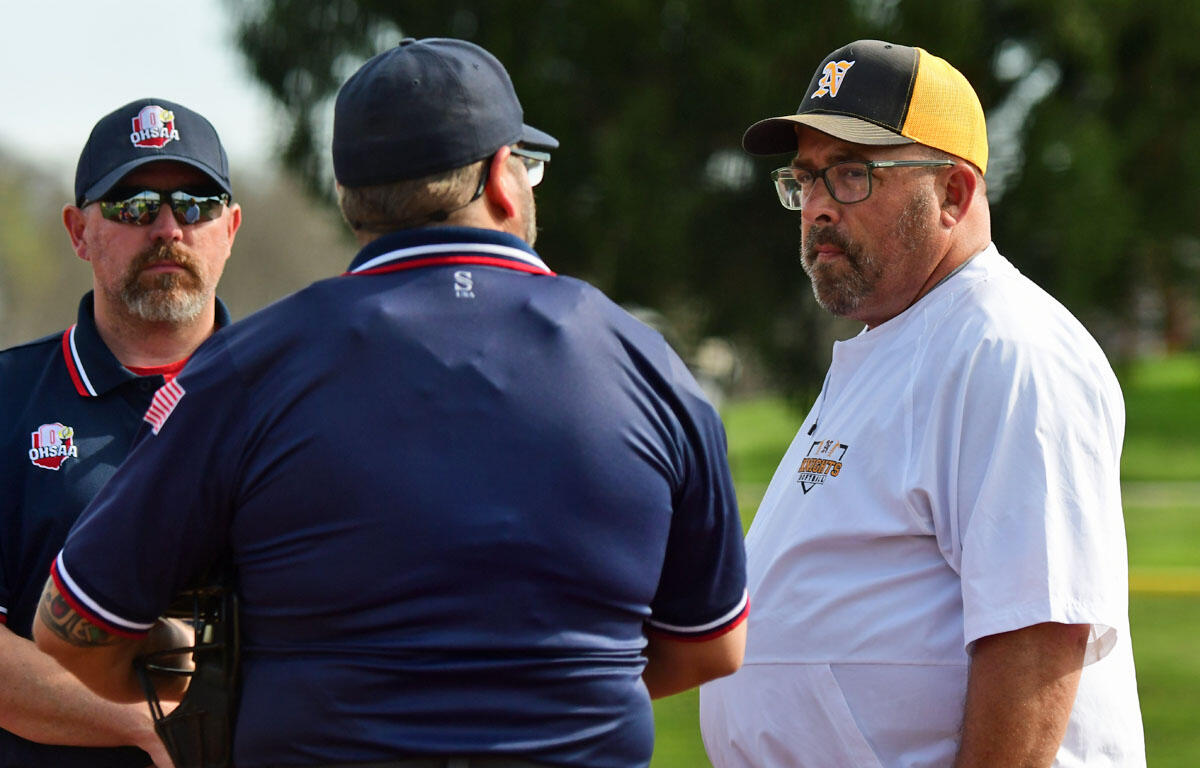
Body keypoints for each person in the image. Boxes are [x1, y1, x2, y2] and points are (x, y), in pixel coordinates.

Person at [35, 38, 748, 768]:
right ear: (504, 179)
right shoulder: (645, 361)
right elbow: (712, 644)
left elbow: (75, 634)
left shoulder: (251, 366)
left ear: (349, 199)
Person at [698, 40, 1145, 767]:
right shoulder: (905, 340)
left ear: (955, 195)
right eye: (805, 179)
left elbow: (1037, 640)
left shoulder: (1004, 349)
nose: (815, 209)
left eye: (851, 175)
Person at [0, 98, 241, 767]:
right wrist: (146, 727)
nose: (168, 227)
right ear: (79, 231)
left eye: (196, 203)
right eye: (134, 206)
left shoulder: (292, 398)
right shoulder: (6, 398)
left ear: (232, 227)